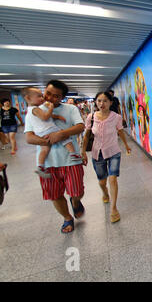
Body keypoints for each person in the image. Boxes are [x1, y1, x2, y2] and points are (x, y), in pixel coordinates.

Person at [24, 80, 86, 234]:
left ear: (62, 98)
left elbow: (80, 126)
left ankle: (75, 201)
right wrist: (48, 140)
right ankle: (67, 218)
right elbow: (29, 138)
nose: (49, 98)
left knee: (77, 192)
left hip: (71, 160)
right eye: (48, 93)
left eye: (55, 96)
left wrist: (61, 134)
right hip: (48, 163)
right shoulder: (33, 111)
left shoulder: (70, 109)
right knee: (54, 195)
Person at [81, 91, 131, 223]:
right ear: (96, 102)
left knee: (113, 179)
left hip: (114, 151)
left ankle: (114, 208)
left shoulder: (116, 117)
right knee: (102, 181)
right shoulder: (91, 117)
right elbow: (86, 135)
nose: (101, 104)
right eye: (99, 101)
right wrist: (82, 151)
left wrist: (126, 145)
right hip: (97, 153)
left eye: (104, 101)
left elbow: (120, 131)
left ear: (110, 102)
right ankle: (104, 192)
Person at [22, 87, 81, 178]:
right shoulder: (36, 109)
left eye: (56, 96)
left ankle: (40, 166)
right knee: (64, 136)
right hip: (49, 129)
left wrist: (56, 116)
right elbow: (45, 117)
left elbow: (81, 127)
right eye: (40, 96)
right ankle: (73, 153)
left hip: (41, 133)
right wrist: (51, 109)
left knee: (44, 150)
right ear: (28, 98)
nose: (43, 98)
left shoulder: (32, 110)